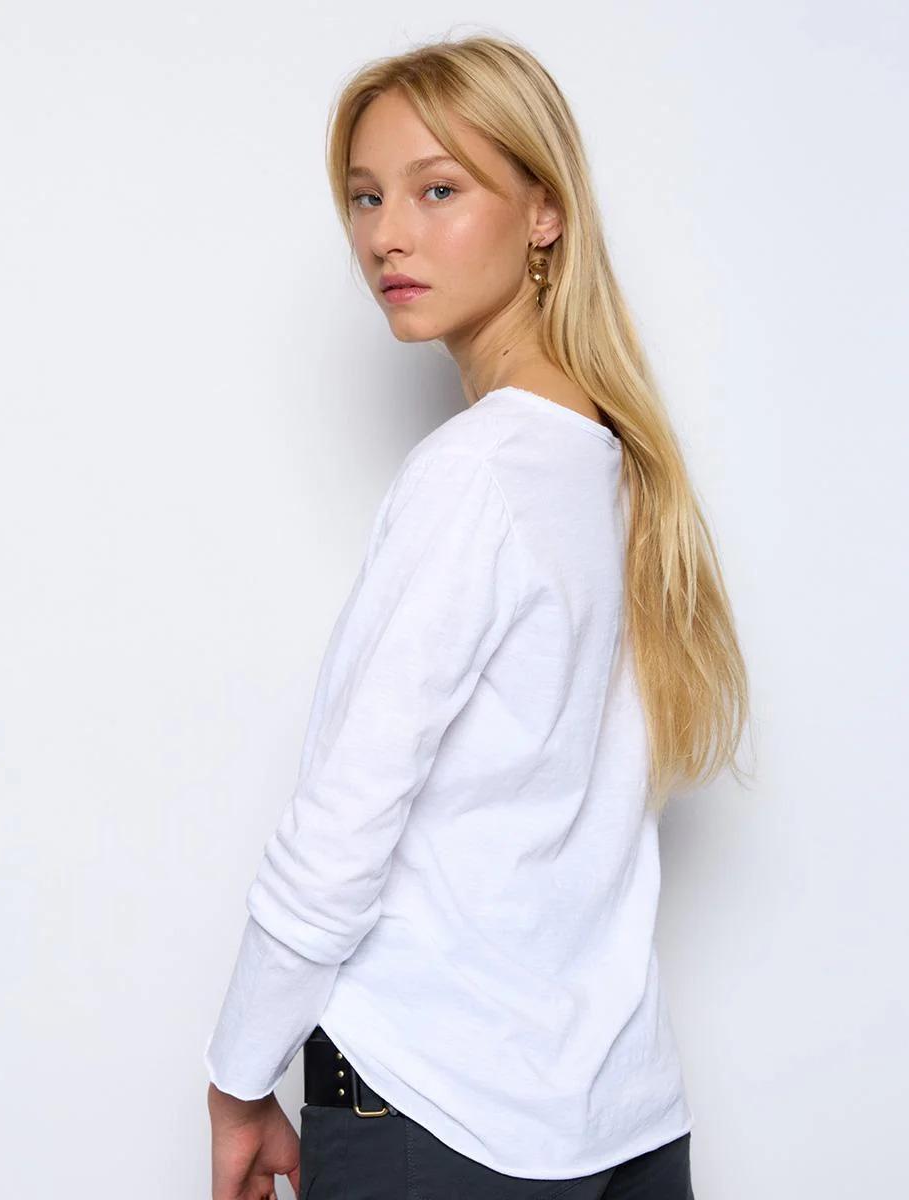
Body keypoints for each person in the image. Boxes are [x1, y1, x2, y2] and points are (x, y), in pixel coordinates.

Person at [204, 32, 751, 1200]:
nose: (384, 236)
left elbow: (344, 825)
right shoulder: (616, 467)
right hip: (622, 1117)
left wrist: (238, 1078)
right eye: (366, 197)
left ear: (544, 212)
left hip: (441, 1115)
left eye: (437, 190)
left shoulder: (478, 476)